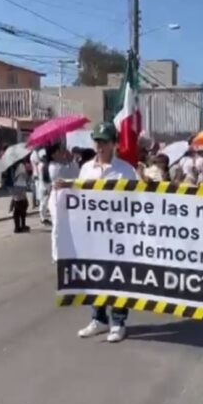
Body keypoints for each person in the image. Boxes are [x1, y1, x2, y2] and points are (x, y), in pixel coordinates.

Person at [74, 122, 138, 343]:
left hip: (119, 234)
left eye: (104, 142)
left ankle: (118, 321)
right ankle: (98, 318)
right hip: (93, 233)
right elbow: (78, 197)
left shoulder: (125, 171)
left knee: (118, 278)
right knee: (96, 277)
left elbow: (136, 202)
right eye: (97, 141)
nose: (100, 146)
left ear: (114, 144)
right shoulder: (86, 169)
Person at [9, 159, 31, 234]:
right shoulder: (20, 166)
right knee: (21, 208)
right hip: (19, 187)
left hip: (14, 188)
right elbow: (24, 176)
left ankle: (18, 226)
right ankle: (20, 227)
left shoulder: (11, 166)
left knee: (18, 209)